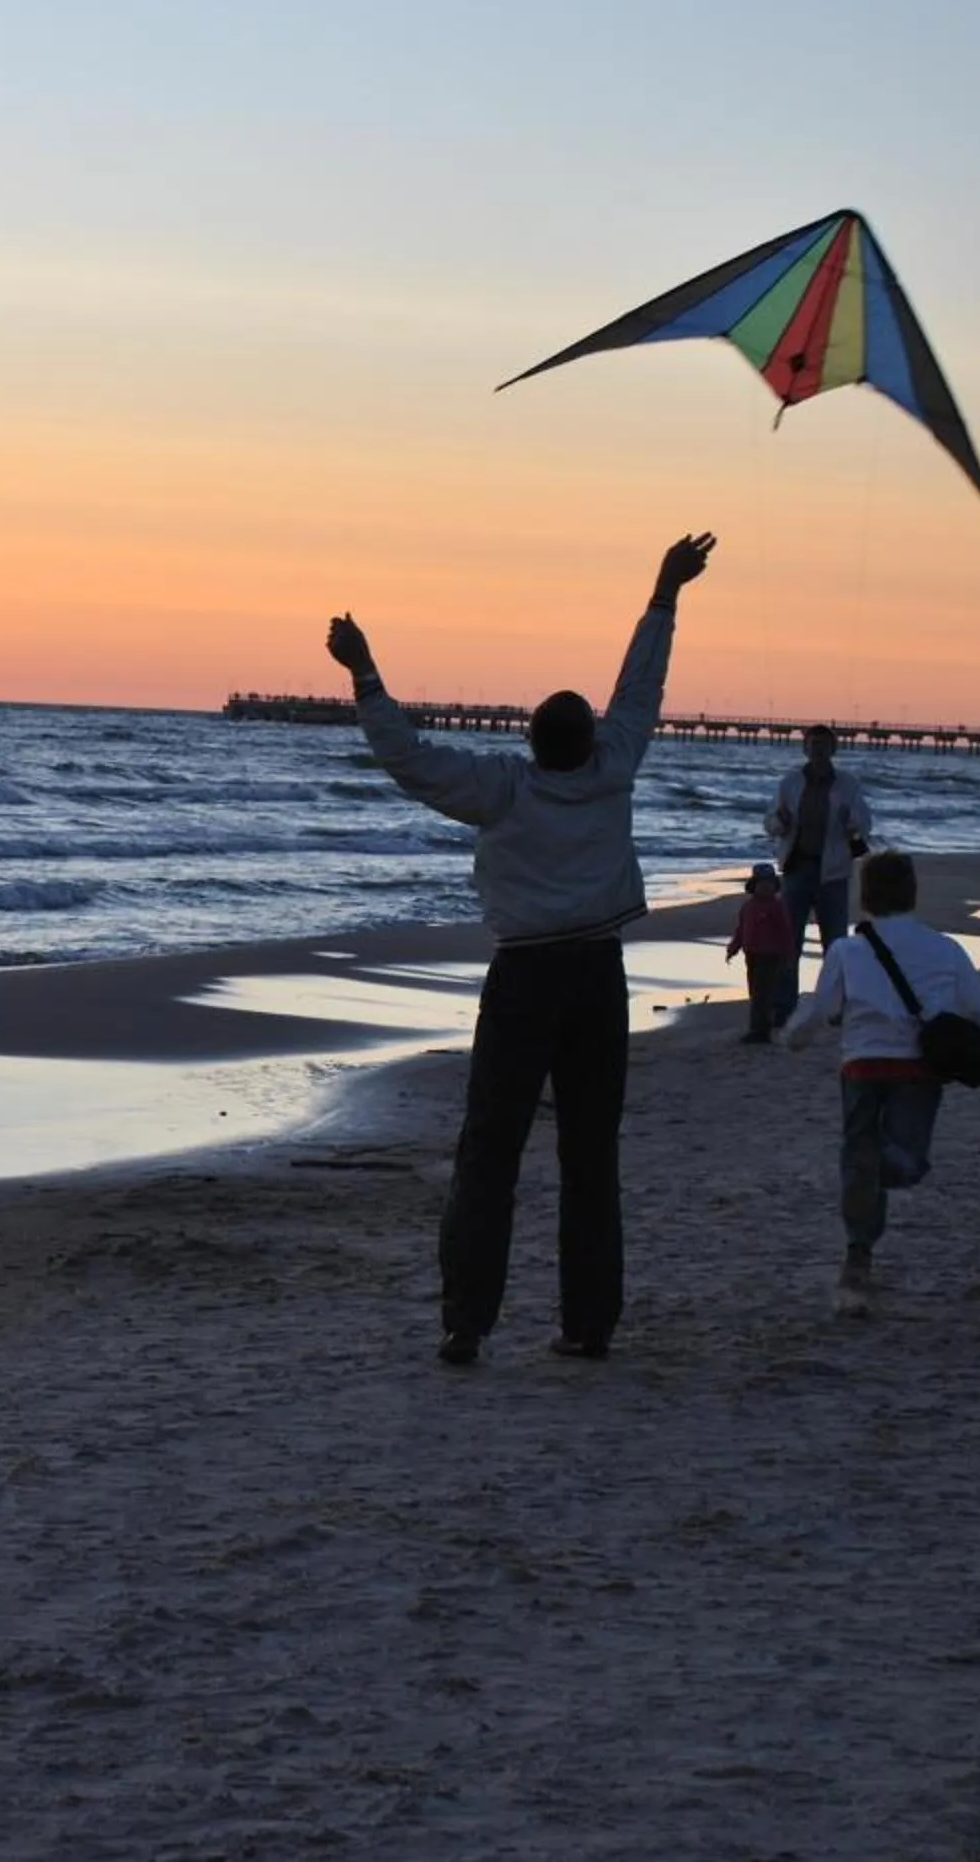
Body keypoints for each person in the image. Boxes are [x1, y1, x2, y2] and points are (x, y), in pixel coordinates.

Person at [325, 531, 717, 1367]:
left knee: (491, 1150)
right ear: (587, 743)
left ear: (532, 743)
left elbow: (408, 759)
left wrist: (364, 672)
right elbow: (642, 688)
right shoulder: (613, 768)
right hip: (597, 975)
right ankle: (588, 1325)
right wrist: (663, 593)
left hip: (527, 978)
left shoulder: (505, 788)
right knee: (588, 1154)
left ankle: (467, 1322)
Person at [779, 849, 980, 1314]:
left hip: (861, 1065)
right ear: (912, 892)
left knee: (863, 1157)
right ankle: (859, 1249)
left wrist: (792, 1038)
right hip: (919, 1069)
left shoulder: (847, 950)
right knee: (907, 1161)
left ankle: (859, 1239)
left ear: (866, 895)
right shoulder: (945, 947)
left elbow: (818, 1011)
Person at [762, 726, 876, 1015]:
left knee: (835, 944)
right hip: (797, 867)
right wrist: (780, 821)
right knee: (789, 941)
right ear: (805, 749)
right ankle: (783, 1006)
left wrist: (849, 819)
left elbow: (864, 822)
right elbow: (769, 822)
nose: (818, 750)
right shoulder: (790, 782)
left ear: (833, 749)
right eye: (813, 744)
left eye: (824, 745)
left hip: (833, 871)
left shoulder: (846, 784)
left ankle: (837, 1005)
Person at [723, 861, 798, 1044]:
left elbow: (785, 931)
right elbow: (741, 930)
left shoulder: (777, 907)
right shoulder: (748, 907)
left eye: (769, 883)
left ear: (775, 886)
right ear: (753, 885)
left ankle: (759, 1030)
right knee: (755, 991)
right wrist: (733, 948)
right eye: (761, 883)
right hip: (752, 955)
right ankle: (761, 1026)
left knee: (763, 993)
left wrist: (788, 954)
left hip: (771, 955)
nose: (765, 887)